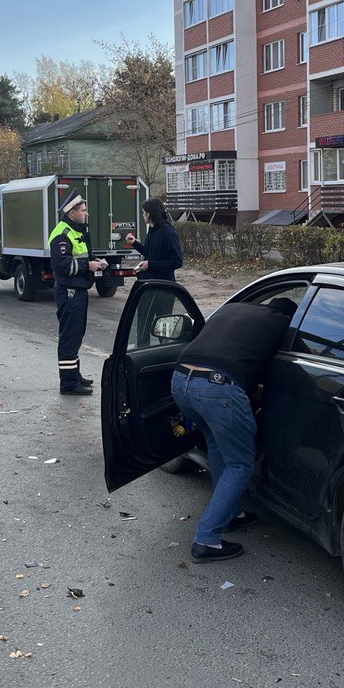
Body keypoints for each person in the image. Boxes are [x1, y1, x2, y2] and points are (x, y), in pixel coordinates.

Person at [171, 296, 298, 562]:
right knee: (240, 465)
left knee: (217, 444)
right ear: (289, 317)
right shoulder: (282, 326)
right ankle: (206, 540)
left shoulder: (235, 309)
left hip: (181, 380)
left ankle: (231, 514)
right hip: (216, 387)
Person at [49, 190, 108, 396]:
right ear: (72, 212)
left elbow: (82, 255)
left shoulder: (77, 230)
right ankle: (68, 384)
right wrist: (87, 265)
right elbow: (61, 266)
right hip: (69, 291)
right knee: (69, 337)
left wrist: (96, 262)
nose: (86, 214)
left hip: (78, 290)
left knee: (76, 336)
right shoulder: (62, 234)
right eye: (83, 210)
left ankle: (74, 375)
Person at [125, 198, 183, 282]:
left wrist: (150, 265)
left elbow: (177, 262)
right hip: (150, 282)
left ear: (148, 214)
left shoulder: (168, 233)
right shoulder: (152, 230)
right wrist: (134, 243)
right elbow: (149, 253)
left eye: (143, 212)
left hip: (164, 285)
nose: (143, 215)